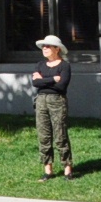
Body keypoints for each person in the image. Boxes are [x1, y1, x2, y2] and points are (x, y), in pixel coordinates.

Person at [32, 35, 73, 179]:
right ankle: (48, 170)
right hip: (41, 100)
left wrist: (42, 80)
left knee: (60, 135)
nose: (45, 48)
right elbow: (35, 83)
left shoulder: (64, 66)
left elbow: (61, 85)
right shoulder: (40, 65)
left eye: (48, 46)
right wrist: (52, 79)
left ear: (57, 49)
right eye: (44, 46)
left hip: (57, 101)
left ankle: (67, 168)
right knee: (44, 135)